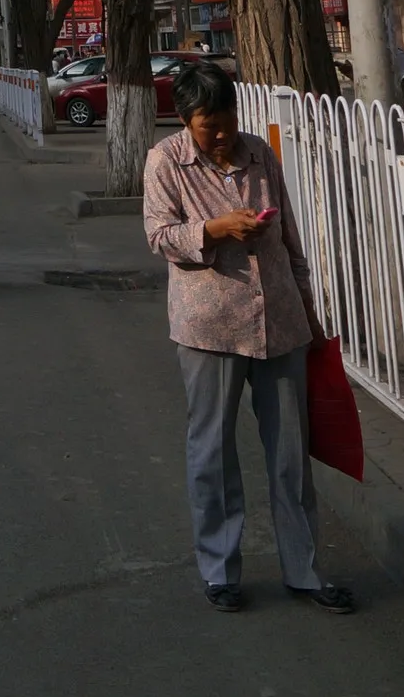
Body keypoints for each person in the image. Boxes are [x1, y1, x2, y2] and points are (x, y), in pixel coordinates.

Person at [143, 64, 355, 615]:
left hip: (279, 321)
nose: (221, 133)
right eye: (208, 124)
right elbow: (159, 235)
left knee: (289, 455)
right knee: (211, 451)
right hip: (209, 326)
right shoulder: (165, 160)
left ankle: (305, 571)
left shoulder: (259, 151)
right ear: (185, 120)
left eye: (227, 119)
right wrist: (214, 230)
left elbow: (289, 237)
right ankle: (220, 571)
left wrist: (307, 312)